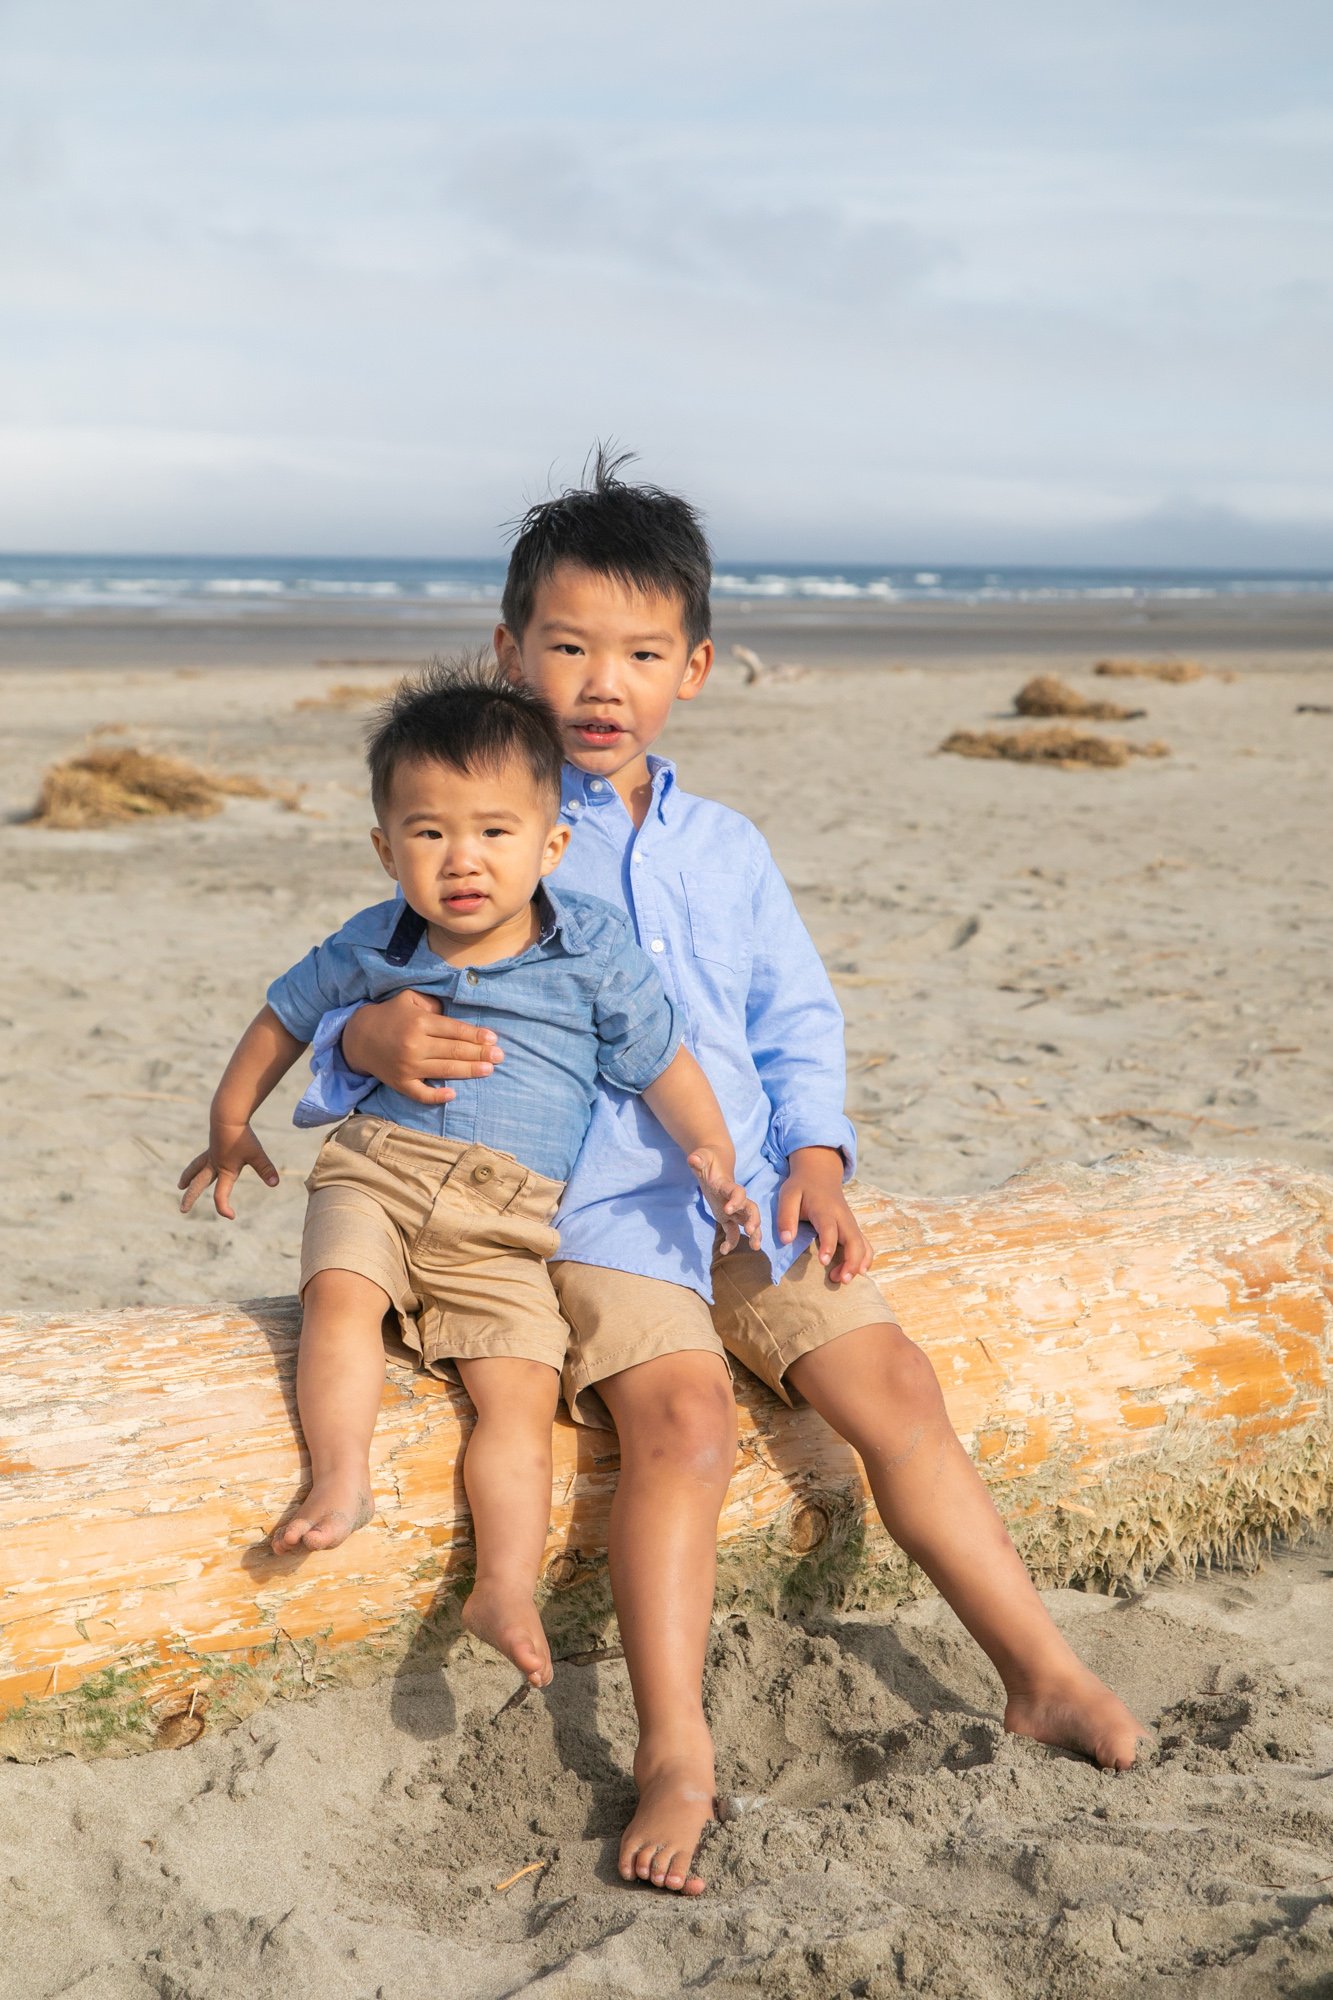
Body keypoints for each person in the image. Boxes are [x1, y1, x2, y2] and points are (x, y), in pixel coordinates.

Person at [303, 450, 1148, 1897]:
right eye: (564, 647)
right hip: (593, 1217)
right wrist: (362, 1038)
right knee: (685, 1424)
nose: (598, 681)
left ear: (694, 666)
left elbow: (791, 1014)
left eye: (638, 653)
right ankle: (676, 1751)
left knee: (896, 1387)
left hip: (749, 1193)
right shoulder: (484, 832)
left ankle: (1037, 1669)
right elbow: (340, 1006)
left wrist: (817, 1151)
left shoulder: (725, 848)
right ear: (510, 649)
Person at [177, 662, 759, 1693]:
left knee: (519, 1391)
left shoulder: (590, 952)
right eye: (428, 831)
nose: (462, 859)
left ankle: (501, 1582)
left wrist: (711, 1152)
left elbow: (662, 1059)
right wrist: (231, 1119)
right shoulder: (378, 939)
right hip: (377, 1171)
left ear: (550, 844)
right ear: (384, 846)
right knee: (340, 1298)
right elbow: (283, 1015)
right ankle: (342, 1473)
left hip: (510, 1220)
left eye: (494, 831)